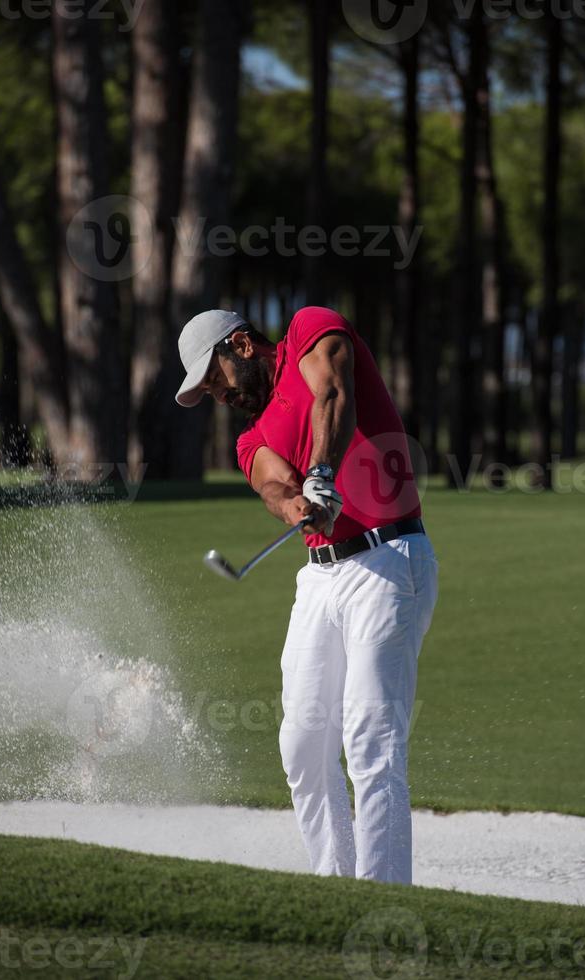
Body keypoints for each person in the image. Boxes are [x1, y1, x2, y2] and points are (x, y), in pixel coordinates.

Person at [175, 306, 438, 884]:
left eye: (213, 377)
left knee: (370, 738)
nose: (216, 394)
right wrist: (294, 502)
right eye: (206, 390)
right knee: (302, 746)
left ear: (241, 345)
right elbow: (271, 479)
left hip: (387, 561)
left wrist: (322, 471)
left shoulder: (309, 330)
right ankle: (333, 883)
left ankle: (382, 897)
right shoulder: (250, 436)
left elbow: (333, 392)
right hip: (320, 577)